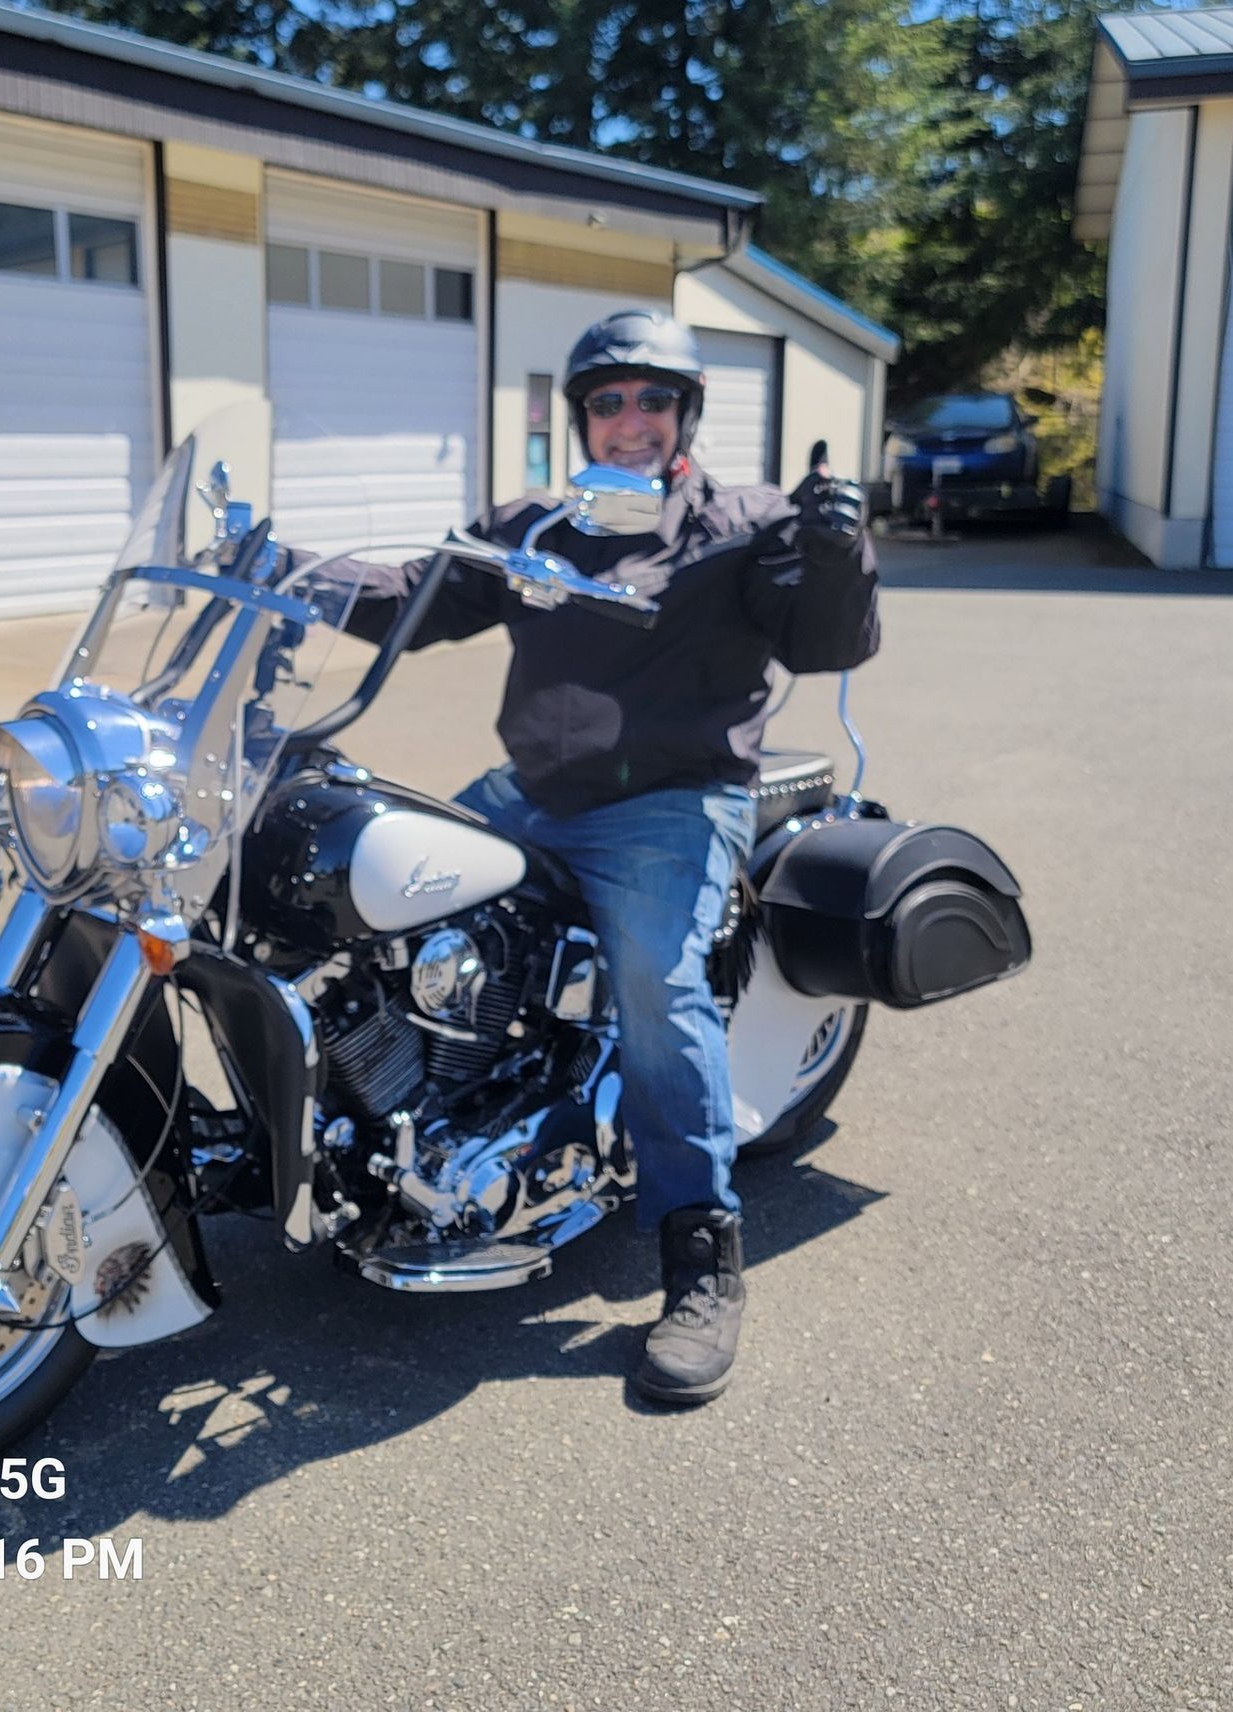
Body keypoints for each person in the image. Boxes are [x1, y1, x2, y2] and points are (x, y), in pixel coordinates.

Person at [324, 309, 879, 1404]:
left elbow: (829, 641)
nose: (630, 421)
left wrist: (837, 546)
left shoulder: (746, 524)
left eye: (653, 400)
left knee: (657, 990)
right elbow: (418, 600)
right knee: (367, 887)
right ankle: (405, 1127)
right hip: (531, 792)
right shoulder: (538, 524)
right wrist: (284, 571)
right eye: (609, 401)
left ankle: (700, 1258)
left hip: (669, 803)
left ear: (684, 417)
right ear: (580, 418)